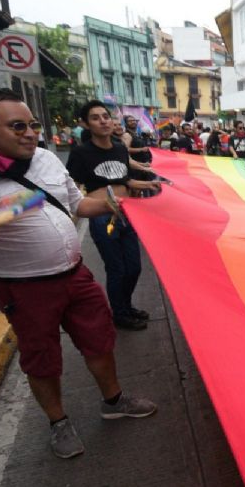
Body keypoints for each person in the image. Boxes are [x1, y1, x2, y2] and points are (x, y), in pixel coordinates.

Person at [0, 89, 156, 460]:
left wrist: (121, 204)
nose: (30, 133)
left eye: (33, 125)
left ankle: (114, 401)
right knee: (42, 357)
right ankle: (58, 422)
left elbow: (77, 204)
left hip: (76, 276)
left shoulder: (47, 160)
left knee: (100, 339)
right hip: (25, 290)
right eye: (17, 126)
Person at [67, 100, 162, 330]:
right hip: (102, 218)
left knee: (134, 266)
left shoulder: (120, 148)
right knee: (116, 268)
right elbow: (72, 187)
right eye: (96, 118)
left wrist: (154, 185)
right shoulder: (81, 153)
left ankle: (126, 306)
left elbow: (126, 180)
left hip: (128, 213)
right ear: (86, 124)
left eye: (106, 116)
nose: (103, 121)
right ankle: (119, 313)